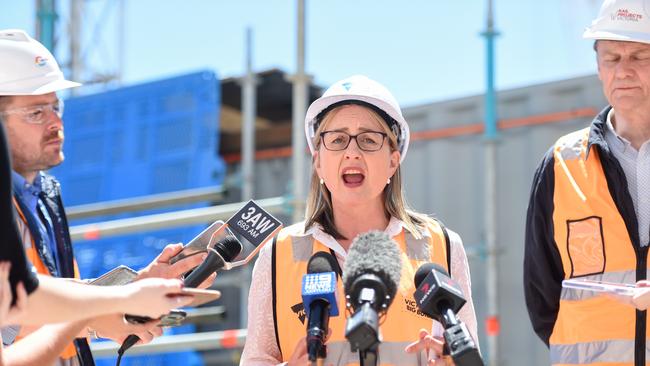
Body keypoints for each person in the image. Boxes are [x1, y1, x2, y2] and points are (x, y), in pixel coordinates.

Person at [0, 29, 215, 366]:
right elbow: (13, 312)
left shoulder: (45, 195)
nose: (56, 122)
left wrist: (131, 289)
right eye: (36, 113)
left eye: (56, 108)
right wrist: (108, 305)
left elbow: (50, 294)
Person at [241, 75, 478, 365]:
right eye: (338, 139)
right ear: (318, 161)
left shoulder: (442, 246)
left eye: (368, 139)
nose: (352, 152)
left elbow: (470, 355)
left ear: (393, 159)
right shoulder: (277, 254)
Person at [523, 0, 650, 364]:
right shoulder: (561, 165)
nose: (623, 71)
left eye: (638, 56)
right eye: (612, 58)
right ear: (598, 67)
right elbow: (542, 293)